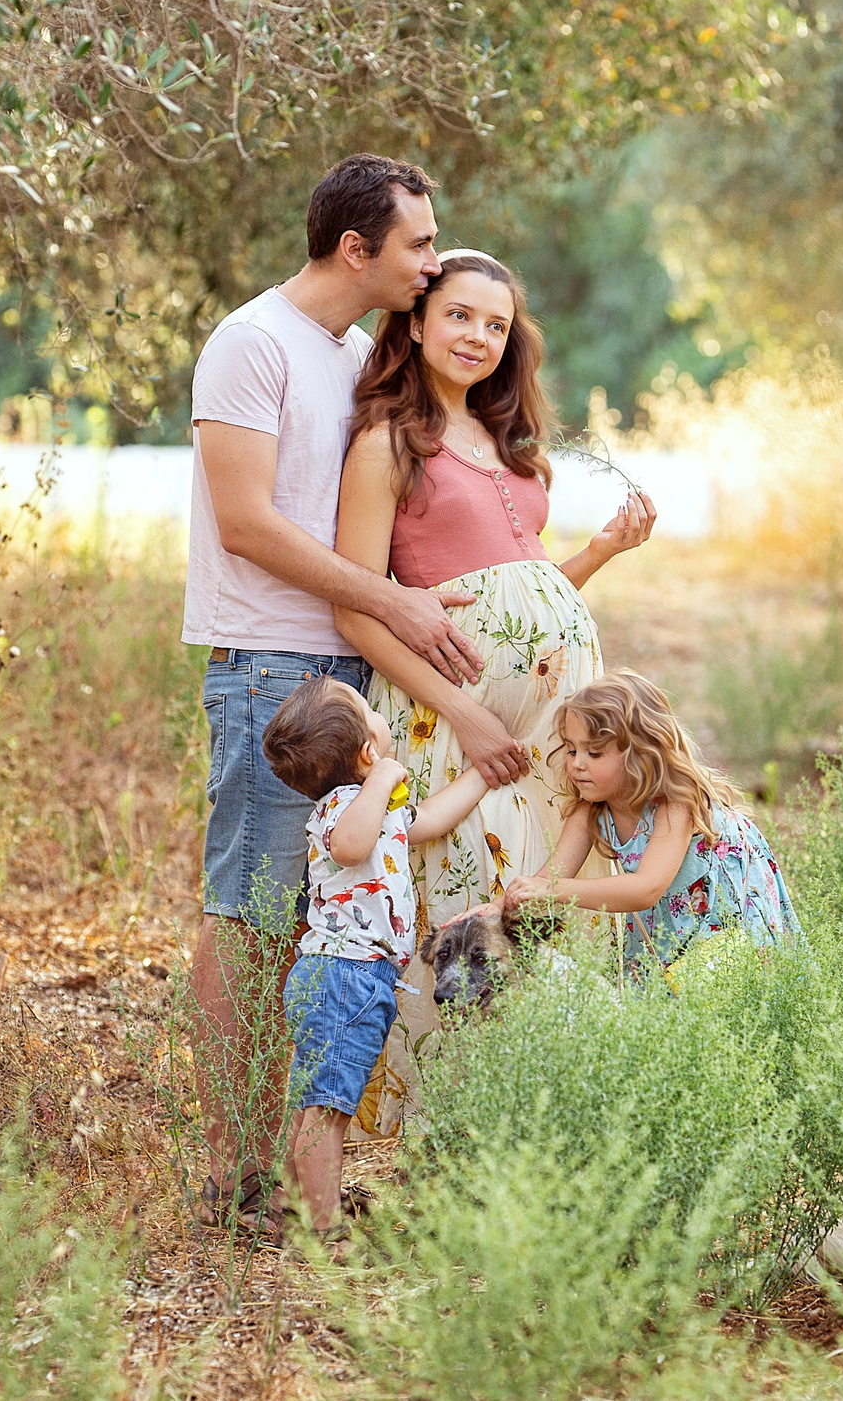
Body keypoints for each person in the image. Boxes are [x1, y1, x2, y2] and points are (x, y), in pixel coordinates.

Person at [183, 153, 490, 1231]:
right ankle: (232, 1175)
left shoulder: (357, 351)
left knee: (323, 924)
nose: (433, 258)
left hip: (352, 673)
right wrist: (392, 603)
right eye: (417, 242)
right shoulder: (250, 344)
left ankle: (290, 1162)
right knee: (252, 917)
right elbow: (248, 524)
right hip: (268, 670)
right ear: (355, 249)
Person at [329, 248, 657, 1127]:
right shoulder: (387, 443)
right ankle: (453, 1122)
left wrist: (600, 552)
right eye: (461, 315)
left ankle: (545, 1110)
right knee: (464, 899)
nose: (478, 335)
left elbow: (531, 591)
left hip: (548, 734)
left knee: (542, 907)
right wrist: (468, 715)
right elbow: (358, 612)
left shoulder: (507, 447)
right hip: (453, 727)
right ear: (419, 321)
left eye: (497, 324)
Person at [259, 677, 492, 1241]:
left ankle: (290, 1204)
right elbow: (350, 847)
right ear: (367, 752)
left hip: (358, 977)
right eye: (370, 711)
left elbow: (428, 820)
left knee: (317, 1098)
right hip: (344, 975)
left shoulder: (372, 806)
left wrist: (483, 775)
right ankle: (323, 1227)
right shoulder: (340, 808)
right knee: (329, 1108)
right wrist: (384, 778)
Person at [504, 671, 803, 981]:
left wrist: (551, 890)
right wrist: (500, 906)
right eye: (571, 749)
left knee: (730, 993)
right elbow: (548, 878)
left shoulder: (677, 804)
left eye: (594, 753)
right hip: (670, 924)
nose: (577, 763)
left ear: (641, 755)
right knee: (667, 1000)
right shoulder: (590, 811)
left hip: (722, 913)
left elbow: (646, 888)